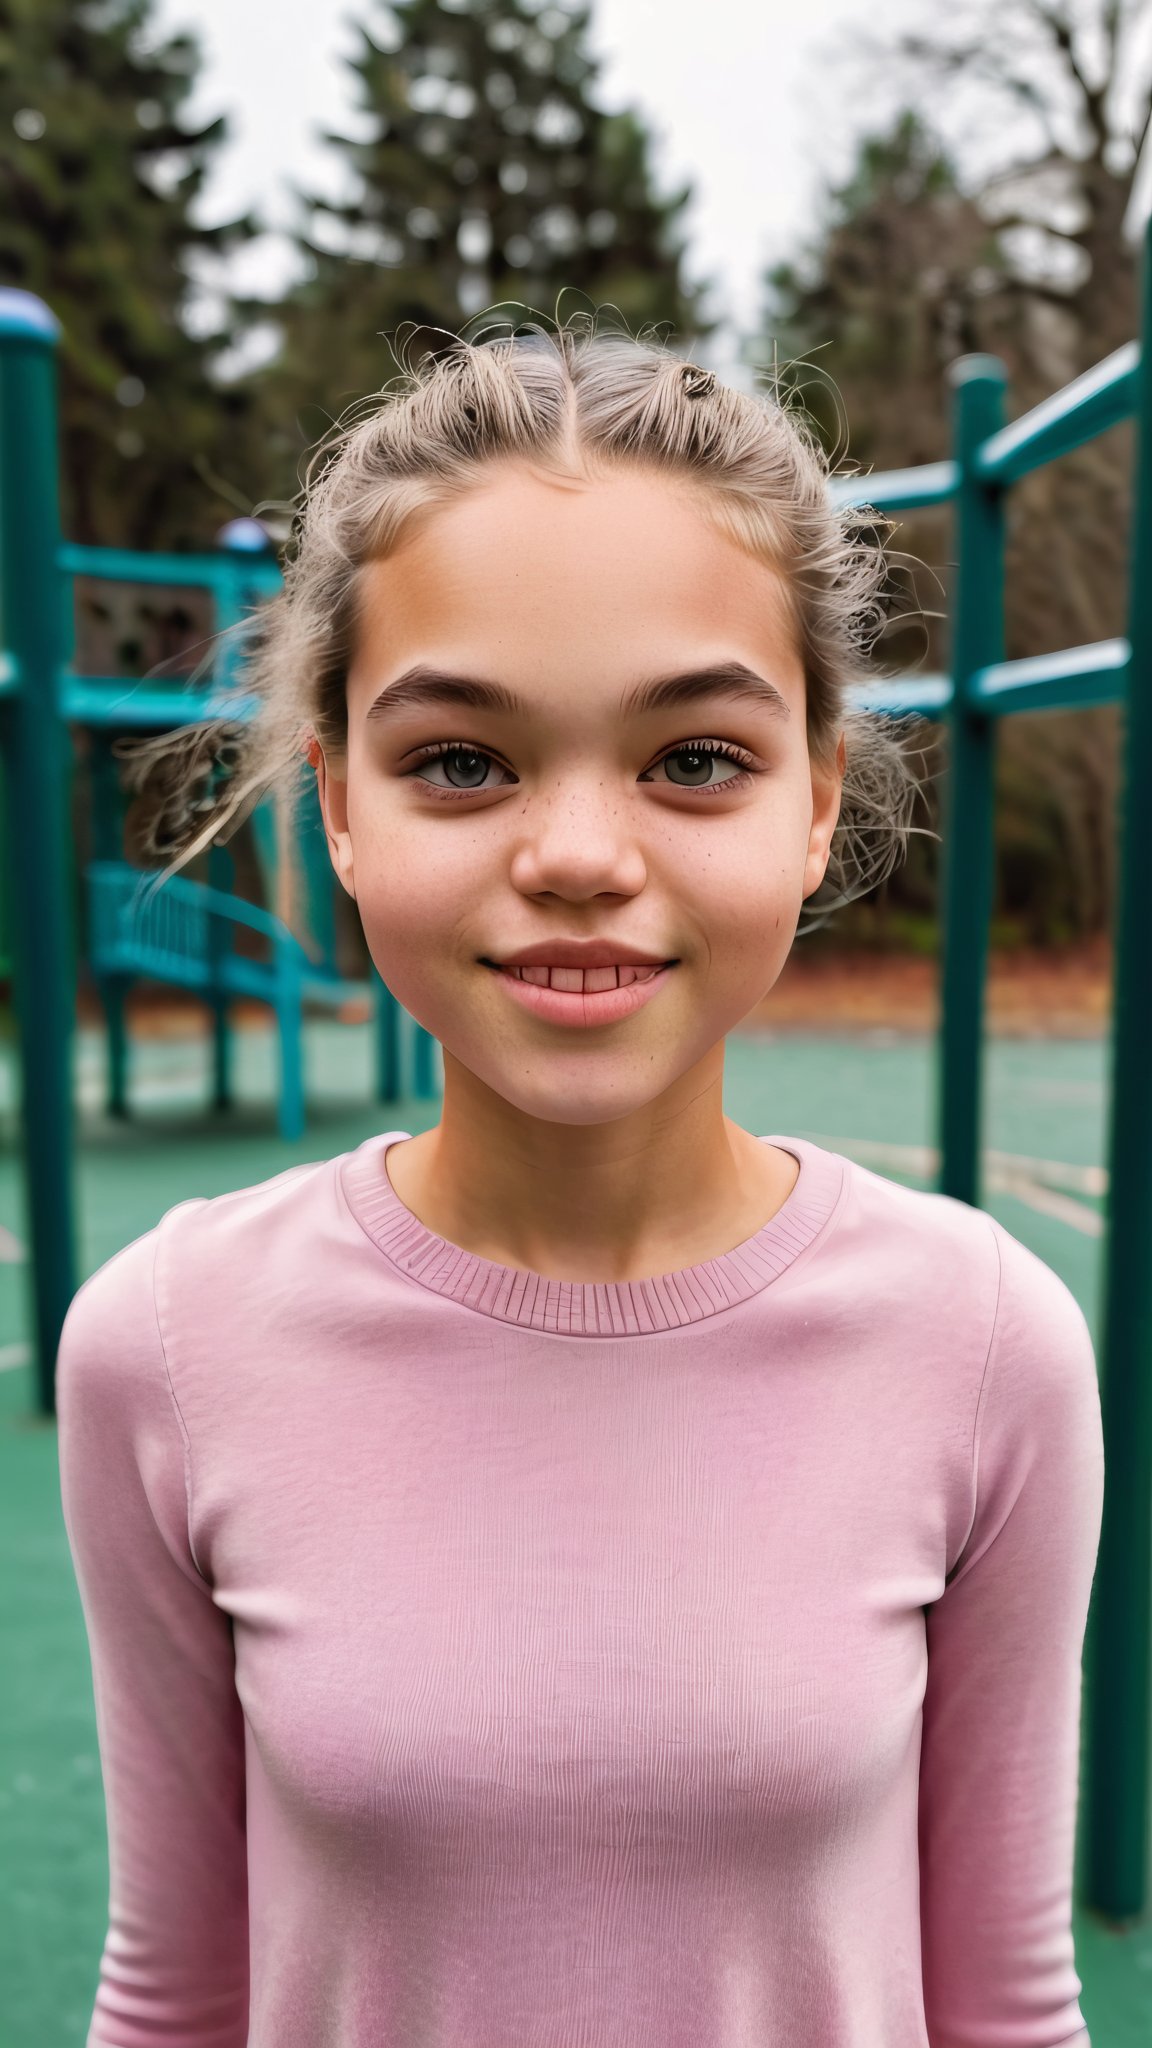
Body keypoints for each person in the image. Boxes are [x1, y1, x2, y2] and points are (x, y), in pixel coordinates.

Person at [56, 314, 1104, 2048]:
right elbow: (173, 1999)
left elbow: (1008, 2004)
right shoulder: (167, 1346)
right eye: (461, 761)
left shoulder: (985, 1343)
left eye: (695, 758)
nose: (577, 857)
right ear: (336, 803)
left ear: (821, 799)